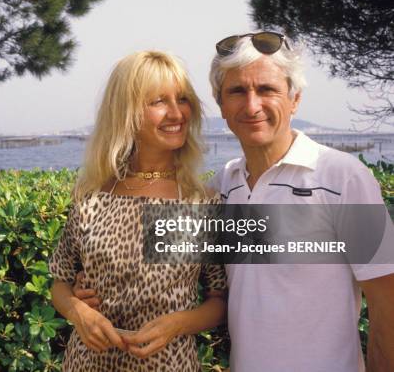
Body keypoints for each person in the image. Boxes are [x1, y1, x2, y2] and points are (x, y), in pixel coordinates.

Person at [74, 33, 394, 371]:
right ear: (221, 105)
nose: (252, 105)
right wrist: (87, 290)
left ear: (295, 99)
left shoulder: (342, 178)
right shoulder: (221, 189)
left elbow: (387, 305)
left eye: (267, 90)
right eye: (237, 91)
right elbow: (141, 254)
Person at [49, 50, 227, 371]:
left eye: (183, 99)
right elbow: (59, 281)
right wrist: (78, 311)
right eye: (158, 101)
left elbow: (220, 300)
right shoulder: (91, 198)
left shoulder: (202, 203)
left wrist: (179, 323)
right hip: (87, 364)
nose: (177, 113)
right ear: (125, 112)